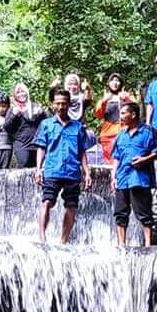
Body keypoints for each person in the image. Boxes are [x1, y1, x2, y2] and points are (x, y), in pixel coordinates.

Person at [34, 89, 92, 244]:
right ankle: (42, 238)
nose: (61, 106)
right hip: (53, 170)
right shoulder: (46, 124)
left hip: (72, 172)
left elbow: (82, 151)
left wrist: (87, 173)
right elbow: (41, 148)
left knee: (71, 207)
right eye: (58, 103)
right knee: (46, 202)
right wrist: (38, 169)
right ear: (53, 104)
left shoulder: (78, 127)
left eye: (64, 103)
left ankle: (63, 241)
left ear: (69, 104)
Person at [110, 102, 157, 247]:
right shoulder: (120, 136)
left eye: (124, 113)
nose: (121, 116)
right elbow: (116, 157)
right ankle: (122, 244)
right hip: (122, 178)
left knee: (144, 212)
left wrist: (144, 160)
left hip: (140, 179)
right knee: (120, 213)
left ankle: (148, 244)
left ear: (133, 114)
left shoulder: (148, 132)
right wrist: (113, 176)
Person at [94, 73, 136, 163]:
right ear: (109, 83)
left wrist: (126, 98)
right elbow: (98, 114)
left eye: (117, 81)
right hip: (108, 132)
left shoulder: (125, 96)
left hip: (123, 130)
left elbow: (135, 110)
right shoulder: (105, 97)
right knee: (109, 159)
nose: (115, 83)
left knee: (123, 157)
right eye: (112, 80)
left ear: (121, 83)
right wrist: (104, 101)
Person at [4, 83, 47, 168]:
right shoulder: (13, 109)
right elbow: (6, 127)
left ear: (27, 92)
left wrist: (41, 114)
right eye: (18, 92)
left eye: (23, 91)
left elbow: (45, 123)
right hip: (21, 144)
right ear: (15, 95)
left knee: (37, 168)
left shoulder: (34, 107)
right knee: (23, 166)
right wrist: (14, 115)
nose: (21, 94)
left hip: (35, 143)